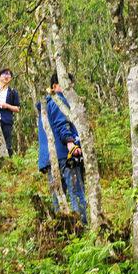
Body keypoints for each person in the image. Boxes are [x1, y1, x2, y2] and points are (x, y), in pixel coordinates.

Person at [36, 73, 87, 223]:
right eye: (66, 85)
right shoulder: (58, 100)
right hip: (65, 155)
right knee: (76, 192)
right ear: (55, 86)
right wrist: (71, 144)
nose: (69, 89)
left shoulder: (44, 106)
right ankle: (82, 229)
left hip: (50, 158)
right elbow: (61, 124)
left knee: (58, 196)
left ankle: (63, 231)